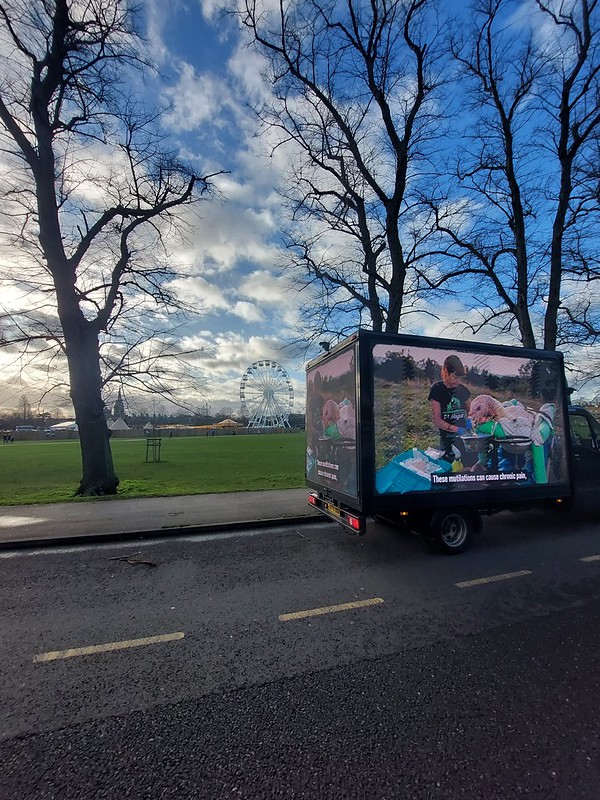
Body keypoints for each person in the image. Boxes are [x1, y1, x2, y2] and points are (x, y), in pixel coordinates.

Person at [428, 354, 471, 462]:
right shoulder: (437, 389)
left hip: (465, 439)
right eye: (455, 377)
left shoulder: (463, 390)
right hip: (447, 439)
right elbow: (437, 421)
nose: (457, 381)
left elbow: (470, 411)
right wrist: (457, 430)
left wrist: (470, 420)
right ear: (446, 372)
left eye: (460, 378)